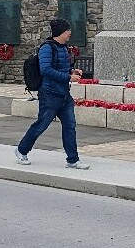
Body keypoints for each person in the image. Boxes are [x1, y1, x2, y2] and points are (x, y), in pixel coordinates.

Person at [15, 18, 90, 170]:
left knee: (70, 126)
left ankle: (72, 159)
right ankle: (21, 150)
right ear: (61, 32)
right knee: (41, 125)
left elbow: (62, 67)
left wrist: (72, 71)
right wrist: (69, 77)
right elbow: (46, 70)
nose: (70, 33)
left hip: (64, 95)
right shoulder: (47, 48)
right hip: (49, 95)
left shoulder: (63, 47)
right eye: (68, 30)